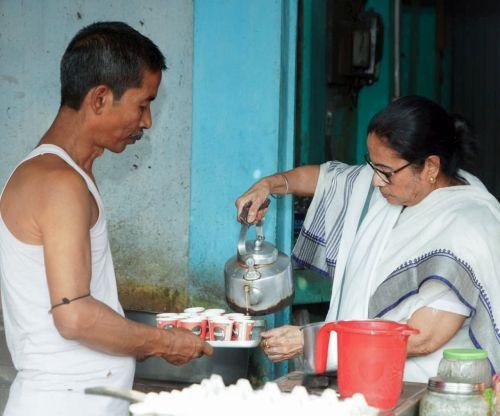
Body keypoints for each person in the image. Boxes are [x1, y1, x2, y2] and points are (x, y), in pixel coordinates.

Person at [0, 22, 212, 416]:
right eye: (143, 104)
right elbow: (75, 315)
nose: (146, 121)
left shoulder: (65, 175)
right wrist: (165, 343)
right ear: (100, 98)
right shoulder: (59, 183)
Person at [235, 95, 500, 382]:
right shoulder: (390, 185)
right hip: (363, 379)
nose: (374, 181)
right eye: (372, 166)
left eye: (385, 172)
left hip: (425, 390)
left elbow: (423, 337)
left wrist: (319, 340)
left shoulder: (468, 224)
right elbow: (325, 178)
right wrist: (269, 185)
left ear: (431, 167)